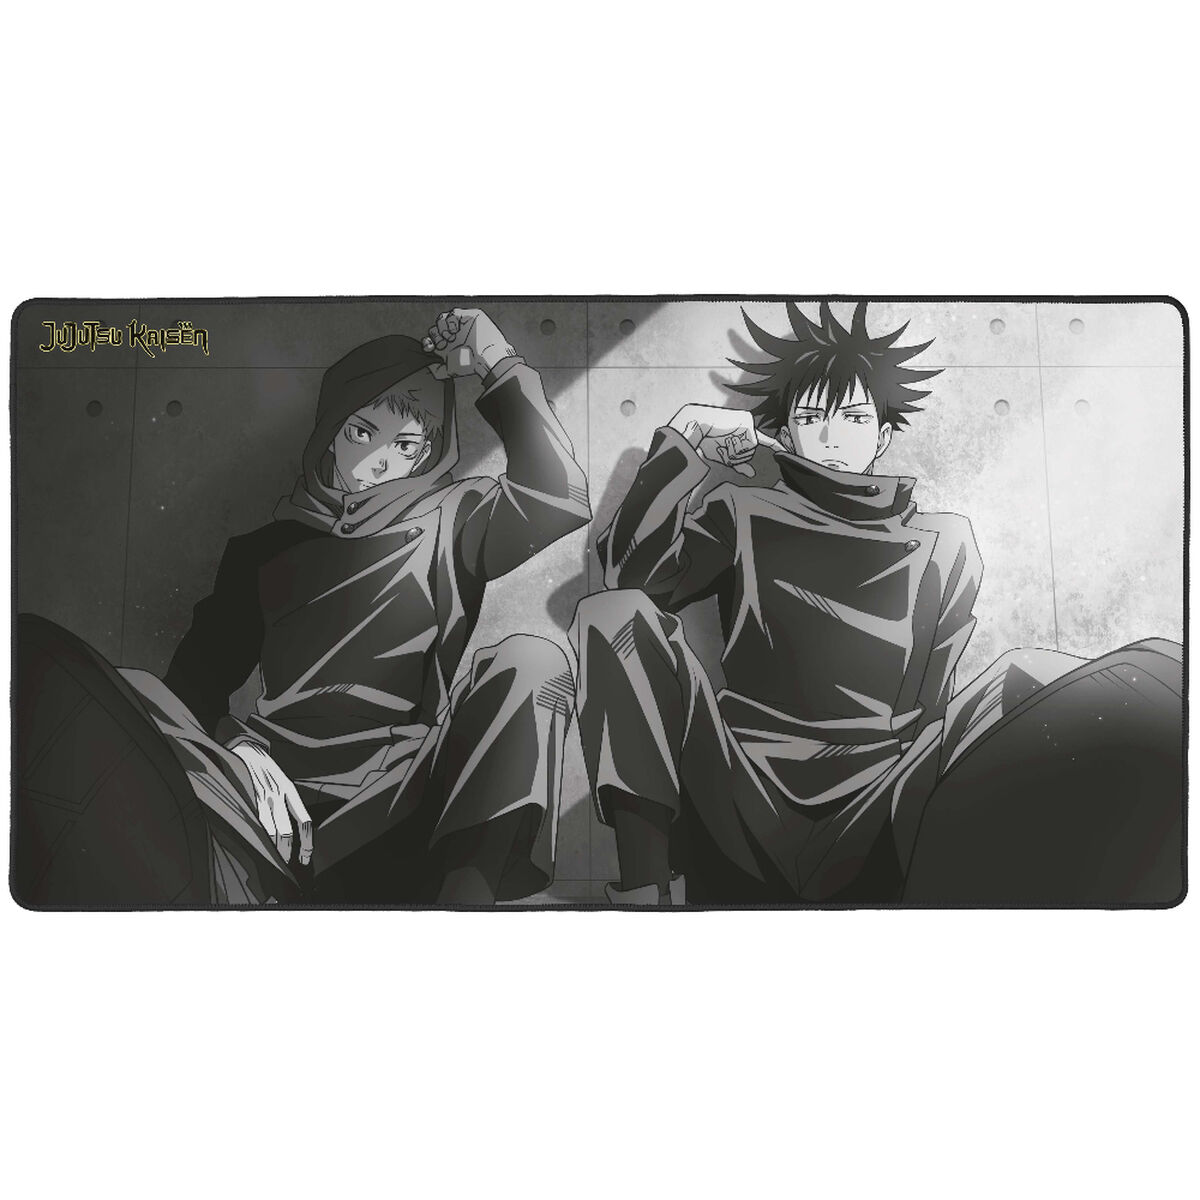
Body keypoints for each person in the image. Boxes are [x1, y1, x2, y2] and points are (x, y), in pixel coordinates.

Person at [572, 302, 1183, 906]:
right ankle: (645, 894)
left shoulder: (946, 541)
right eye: (811, 417)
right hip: (742, 793)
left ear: (883, 435)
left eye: (855, 417)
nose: (832, 436)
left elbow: (931, 700)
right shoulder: (740, 509)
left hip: (882, 804)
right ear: (784, 432)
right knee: (612, 615)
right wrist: (683, 445)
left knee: (1052, 673)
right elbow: (629, 579)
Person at [15, 308, 590, 906]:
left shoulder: (456, 519)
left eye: (405, 445)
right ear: (331, 430)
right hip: (269, 799)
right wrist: (241, 750)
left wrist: (496, 358)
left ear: (428, 453)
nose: (376, 462)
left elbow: (561, 497)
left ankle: (464, 911)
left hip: (402, 795)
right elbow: (190, 689)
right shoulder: (264, 551)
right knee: (122, 688)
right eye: (361, 432)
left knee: (534, 662)